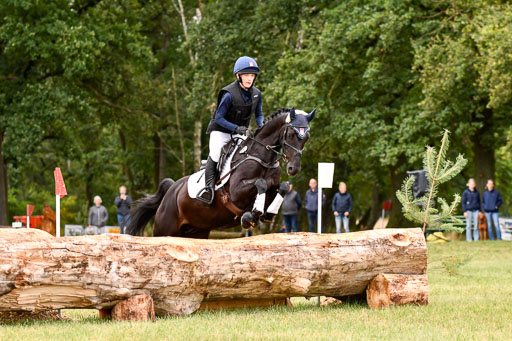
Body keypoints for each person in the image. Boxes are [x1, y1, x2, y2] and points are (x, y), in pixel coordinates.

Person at [198, 56, 263, 204]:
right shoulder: (228, 94)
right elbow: (218, 118)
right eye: (246, 75)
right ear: (238, 76)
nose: (249, 78)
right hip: (221, 131)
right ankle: (208, 189)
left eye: (252, 75)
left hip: (239, 133)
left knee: (249, 154)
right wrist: (235, 128)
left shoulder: (256, 94)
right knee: (215, 154)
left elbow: (258, 114)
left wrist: (261, 126)